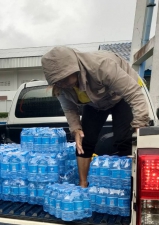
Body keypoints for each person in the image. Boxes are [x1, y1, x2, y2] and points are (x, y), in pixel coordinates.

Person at [41, 46, 150, 187]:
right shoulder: (61, 87)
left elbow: (133, 92)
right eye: (58, 82)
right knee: (84, 141)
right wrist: (76, 129)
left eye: (65, 79)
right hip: (95, 103)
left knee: (123, 139)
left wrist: (140, 122)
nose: (62, 84)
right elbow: (69, 109)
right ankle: (82, 184)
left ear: (74, 68)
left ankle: (127, 183)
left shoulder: (101, 66)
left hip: (120, 96)